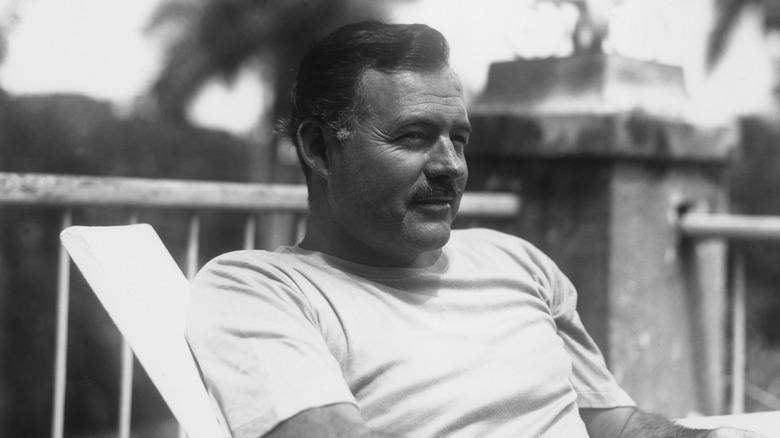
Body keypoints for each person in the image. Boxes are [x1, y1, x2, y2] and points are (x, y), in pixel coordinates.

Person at [186, 21, 765, 438]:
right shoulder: (261, 290)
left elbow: (611, 422)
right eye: (413, 136)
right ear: (318, 148)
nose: (451, 167)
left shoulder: (516, 263)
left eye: (458, 139)